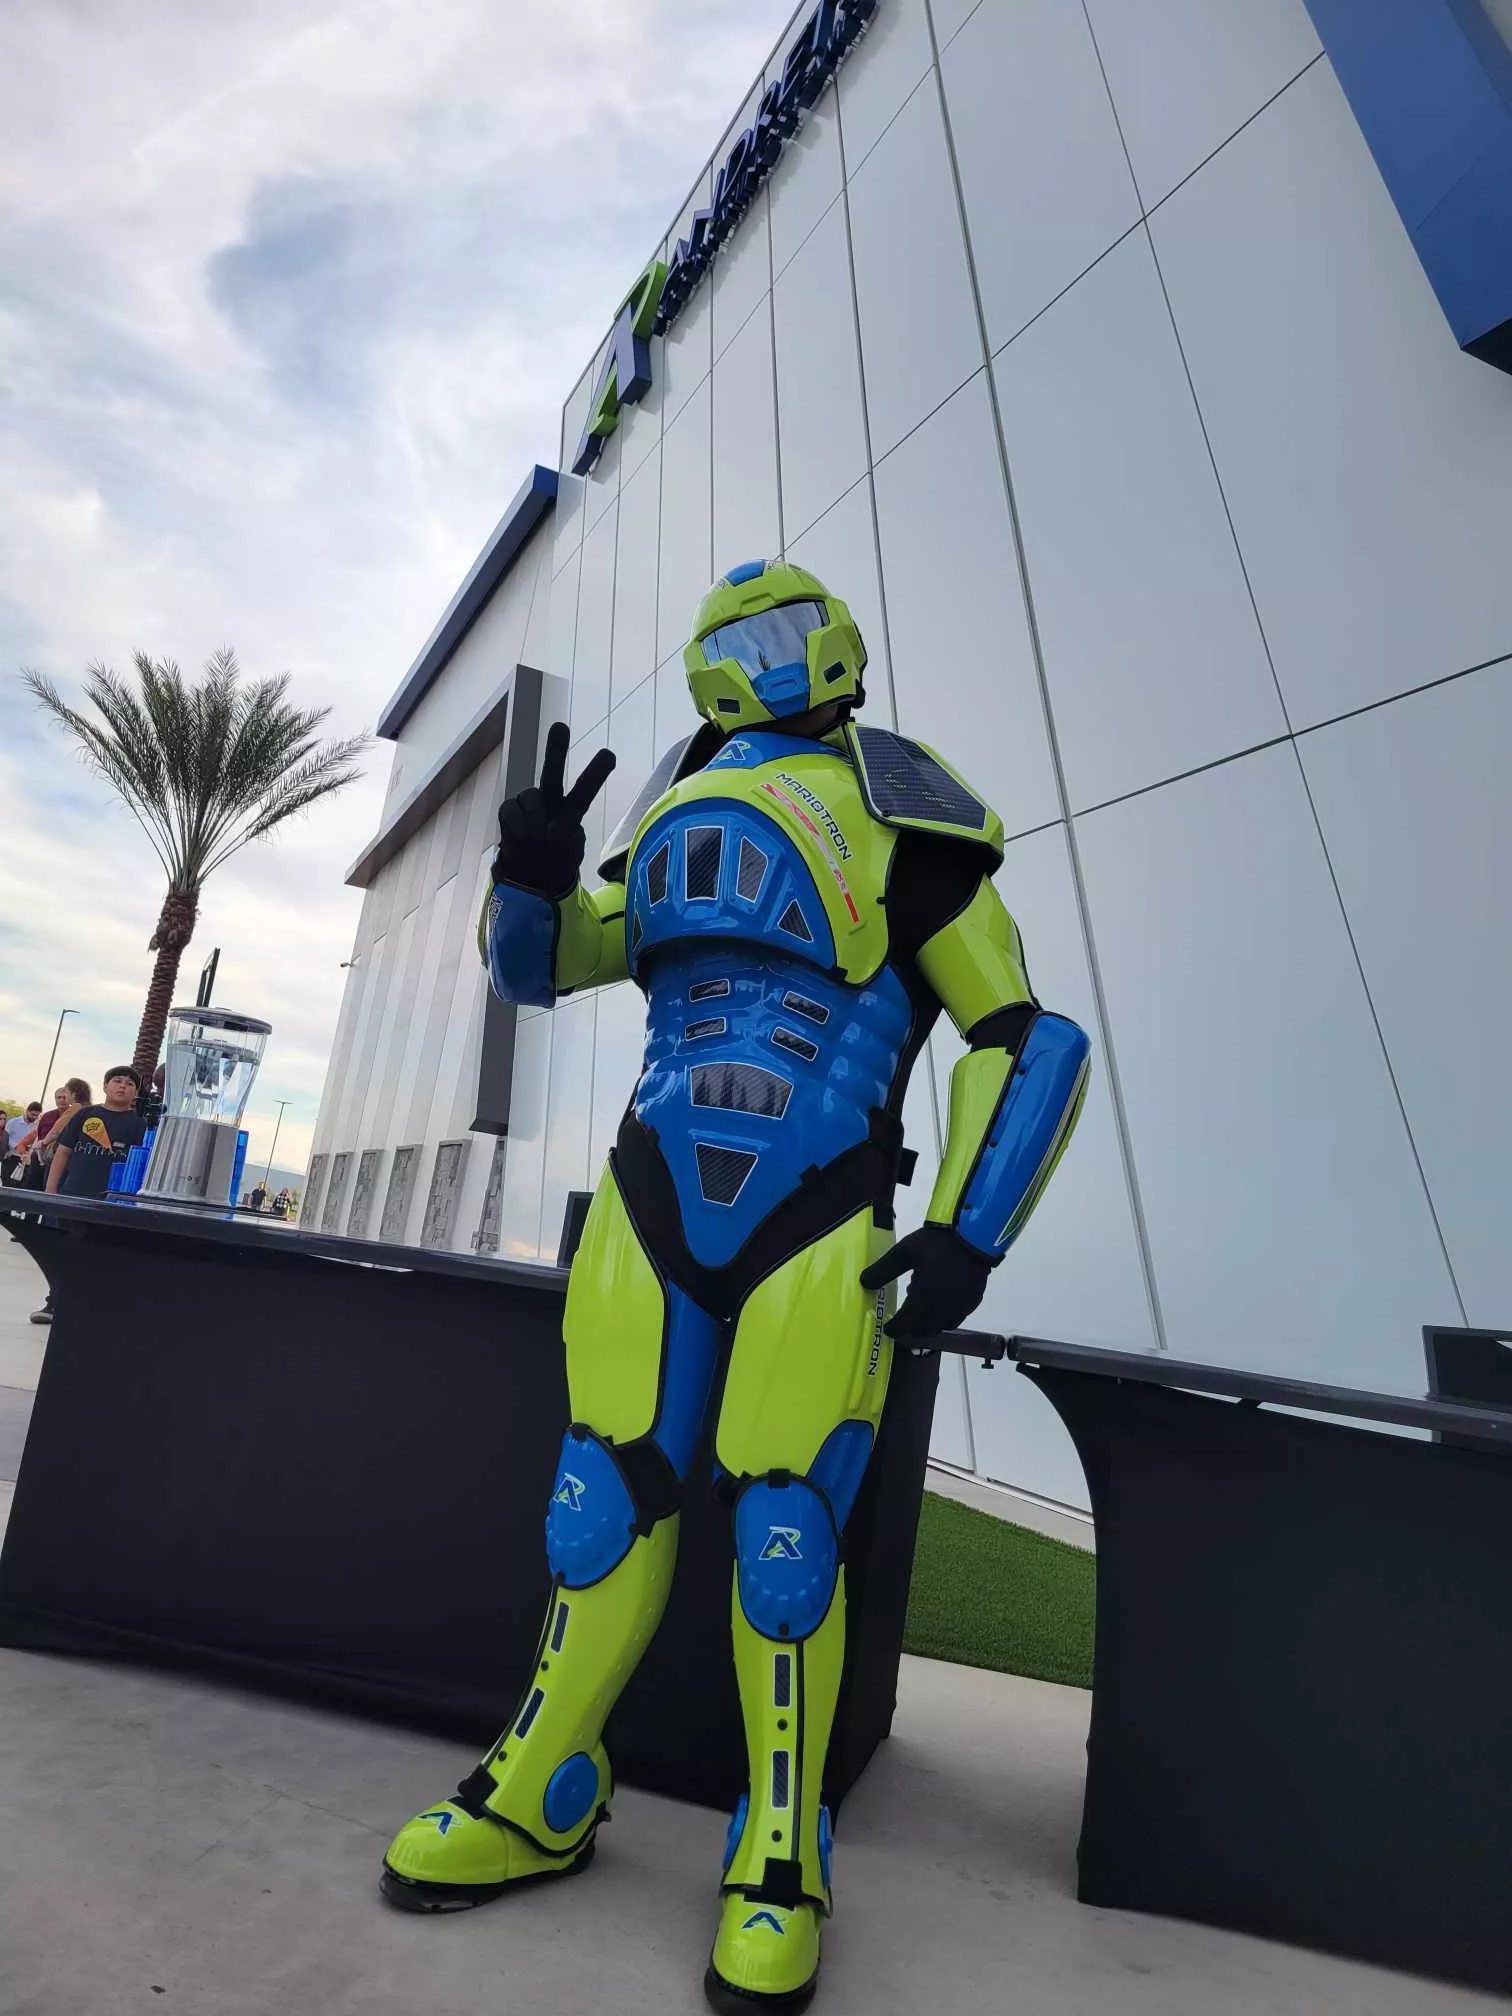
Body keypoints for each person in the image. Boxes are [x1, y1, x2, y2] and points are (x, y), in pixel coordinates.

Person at [380, 563, 1091, 2012]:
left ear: (837, 648)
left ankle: (781, 1852)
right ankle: (544, 1787)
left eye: (783, 632)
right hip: (652, 1198)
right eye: (739, 638)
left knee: (785, 1534)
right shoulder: (673, 810)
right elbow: (546, 968)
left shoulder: (911, 817)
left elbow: (1023, 1035)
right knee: (599, 1504)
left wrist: (969, 1229)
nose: (765, 658)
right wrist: (528, 872)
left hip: (822, 1215)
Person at [46, 1066, 147, 1200]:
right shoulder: (85, 1114)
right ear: (105, 1086)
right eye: (117, 1081)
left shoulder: (140, 1124)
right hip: (72, 1194)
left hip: (113, 1200)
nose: (123, 1086)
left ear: (136, 1093)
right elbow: (63, 1151)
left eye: (129, 1084)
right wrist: (50, 1189)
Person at [3, 1103, 43, 1183]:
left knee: (21, 1185)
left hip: (26, 1161)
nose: (34, 1117)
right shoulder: (13, 1122)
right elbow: (5, 1138)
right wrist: (16, 1146)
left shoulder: (37, 1126)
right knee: (7, 1184)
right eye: (33, 1114)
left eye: (37, 1115)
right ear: (27, 1111)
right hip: (11, 1157)